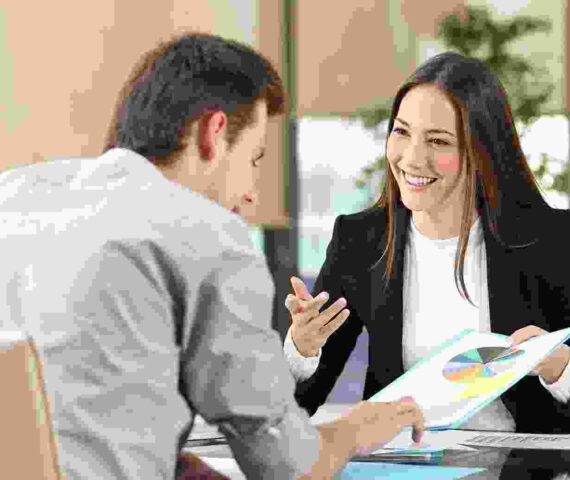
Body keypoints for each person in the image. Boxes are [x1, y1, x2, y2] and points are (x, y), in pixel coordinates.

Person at [0, 33, 424, 479]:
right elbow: (290, 468)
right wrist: (355, 429)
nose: (251, 193)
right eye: (254, 159)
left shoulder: (11, 195)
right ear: (213, 133)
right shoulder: (206, 233)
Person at [284, 51, 570, 434]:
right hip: (399, 459)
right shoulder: (361, 242)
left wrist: (560, 369)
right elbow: (296, 405)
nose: (413, 158)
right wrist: (302, 349)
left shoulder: (551, 240)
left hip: (524, 462)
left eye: (438, 141)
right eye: (402, 132)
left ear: (482, 150)